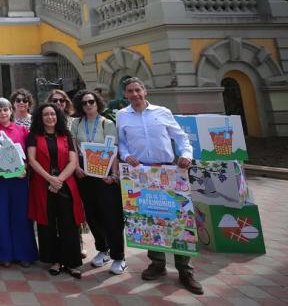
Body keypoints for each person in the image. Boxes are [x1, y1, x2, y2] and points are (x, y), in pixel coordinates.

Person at [117, 77, 203, 295]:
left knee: (177, 221)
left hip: (168, 172)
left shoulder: (162, 112)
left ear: (145, 91)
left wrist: (185, 155)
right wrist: (126, 156)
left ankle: (185, 270)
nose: (135, 94)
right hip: (141, 174)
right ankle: (157, 263)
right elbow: (122, 143)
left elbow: (181, 137)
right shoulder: (122, 115)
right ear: (125, 94)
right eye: (130, 91)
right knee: (150, 220)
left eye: (138, 90)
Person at [26, 103, 85, 279]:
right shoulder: (34, 136)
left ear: (58, 116)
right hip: (42, 184)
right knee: (47, 223)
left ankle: (72, 262)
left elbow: (73, 162)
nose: (50, 117)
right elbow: (32, 160)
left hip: (65, 184)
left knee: (69, 223)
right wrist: (50, 179)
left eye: (53, 114)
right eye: (46, 114)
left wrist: (58, 180)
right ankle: (54, 260)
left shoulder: (65, 135)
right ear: (40, 117)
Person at [71, 89, 126, 275]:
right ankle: (103, 250)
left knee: (111, 216)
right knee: (93, 216)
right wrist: (76, 167)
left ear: (97, 103)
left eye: (91, 102)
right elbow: (73, 147)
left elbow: (115, 151)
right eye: (84, 102)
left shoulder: (106, 123)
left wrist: (114, 175)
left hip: (105, 176)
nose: (88, 105)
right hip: (85, 175)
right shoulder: (77, 123)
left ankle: (119, 256)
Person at [0, 98, 38, 268]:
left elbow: (29, 154)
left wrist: (26, 169)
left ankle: (24, 253)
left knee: (21, 216)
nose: (3, 113)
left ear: (11, 111)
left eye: (5, 109)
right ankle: (1, 254)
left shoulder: (22, 130)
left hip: (18, 181)